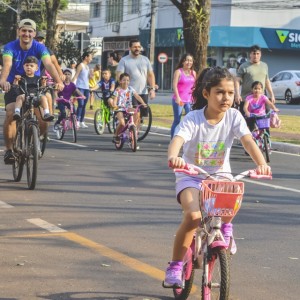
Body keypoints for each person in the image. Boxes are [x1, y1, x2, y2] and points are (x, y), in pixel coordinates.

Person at [163, 67, 272, 288]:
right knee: (193, 217)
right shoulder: (194, 119)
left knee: (233, 194)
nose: (226, 98)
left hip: (220, 178)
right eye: (220, 92)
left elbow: (248, 141)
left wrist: (262, 164)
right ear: (206, 94)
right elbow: (178, 139)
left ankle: (226, 228)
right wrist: (174, 157)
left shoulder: (233, 116)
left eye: (231, 93)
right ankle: (175, 266)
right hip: (191, 176)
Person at [0, 18, 64, 165]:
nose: (26, 34)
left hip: (34, 85)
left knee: (43, 117)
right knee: (10, 112)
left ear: (34, 33)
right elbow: (7, 65)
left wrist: (59, 81)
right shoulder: (10, 47)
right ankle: (9, 149)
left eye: (30, 31)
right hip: (15, 85)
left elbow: (48, 64)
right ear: (18, 32)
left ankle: (35, 139)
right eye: (23, 31)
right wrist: (3, 81)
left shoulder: (41, 48)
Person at [116, 39, 156, 115]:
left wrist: (152, 89)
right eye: (135, 47)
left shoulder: (145, 60)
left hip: (143, 92)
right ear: (130, 48)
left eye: (139, 47)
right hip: (130, 93)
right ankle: (132, 126)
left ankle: (137, 126)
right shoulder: (124, 60)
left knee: (142, 116)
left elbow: (150, 75)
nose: (137, 49)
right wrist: (121, 88)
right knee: (135, 114)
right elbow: (119, 75)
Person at [235, 45, 275, 116]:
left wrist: (271, 95)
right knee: (246, 123)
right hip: (246, 99)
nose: (255, 56)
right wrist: (237, 94)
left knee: (264, 122)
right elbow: (237, 80)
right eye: (254, 53)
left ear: (260, 54)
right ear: (250, 54)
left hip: (261, 99)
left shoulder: (264, 66)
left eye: (257, 54)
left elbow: (267, 81)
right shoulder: (244, 66)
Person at [12, 56, 54, 122]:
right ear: (24, 67)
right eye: (27, 65)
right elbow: (15, 88)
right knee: (20, 97)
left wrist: (44, 83)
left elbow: (42, 89)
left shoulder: (38, 78)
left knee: (43, 97)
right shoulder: (21, 78)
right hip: (25, 97)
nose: (29, 67)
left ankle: (46, 113)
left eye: (31, 66)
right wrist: (16, 81)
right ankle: (17, 112)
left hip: (36, 97)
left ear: (36, 68)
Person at [110, 72, 147, 143]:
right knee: (122, 123)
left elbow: (137, 96)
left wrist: (143, 103)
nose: (126, 82)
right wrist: (114, 105)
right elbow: (115, 99)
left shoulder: (130, 89)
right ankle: (116, 135)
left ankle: (134, 128)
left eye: (127, 80)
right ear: (120, 81)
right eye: (124, 80)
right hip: (119, 109)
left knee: (137, 111)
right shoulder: (118, 90)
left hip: (128, 108)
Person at [171, 53, 196, 139]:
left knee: (190, 120)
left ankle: (187, 139)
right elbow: (174, 85)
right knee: (177, 120)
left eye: (191, 60)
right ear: (183, 62)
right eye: (187, 60)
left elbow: (194, 86)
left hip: (190, 100)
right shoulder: (178, 72)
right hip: (179, 100)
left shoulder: (193, 73)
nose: (189, 62)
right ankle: (173, 139)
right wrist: (177, 98)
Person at [72, 51, 93, 128]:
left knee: (84, 105)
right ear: (86, 57)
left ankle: (82, 121)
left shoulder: (88, 67)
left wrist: (91, 74)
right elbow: (76, 76)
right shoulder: (81, 65)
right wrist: (71, 85)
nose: (91, 59)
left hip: (86, 88)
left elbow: (89, 78)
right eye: (90, 57)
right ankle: (77, 120)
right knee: (80, 104)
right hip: (80, 87)